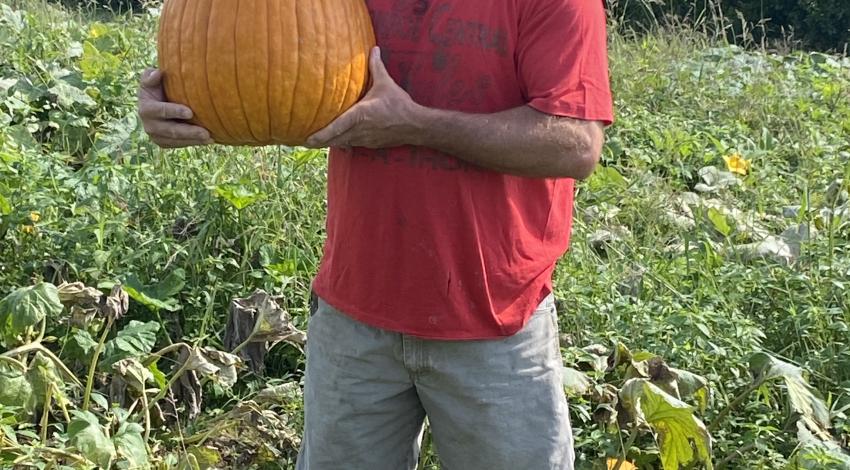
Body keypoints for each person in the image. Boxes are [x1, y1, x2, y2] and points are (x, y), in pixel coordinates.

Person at [138, 0, 613, 468]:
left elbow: (575, 144)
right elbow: (270, 59)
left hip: (495, 323)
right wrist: (183, 103)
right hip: (355, 323)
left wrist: (417, 125)